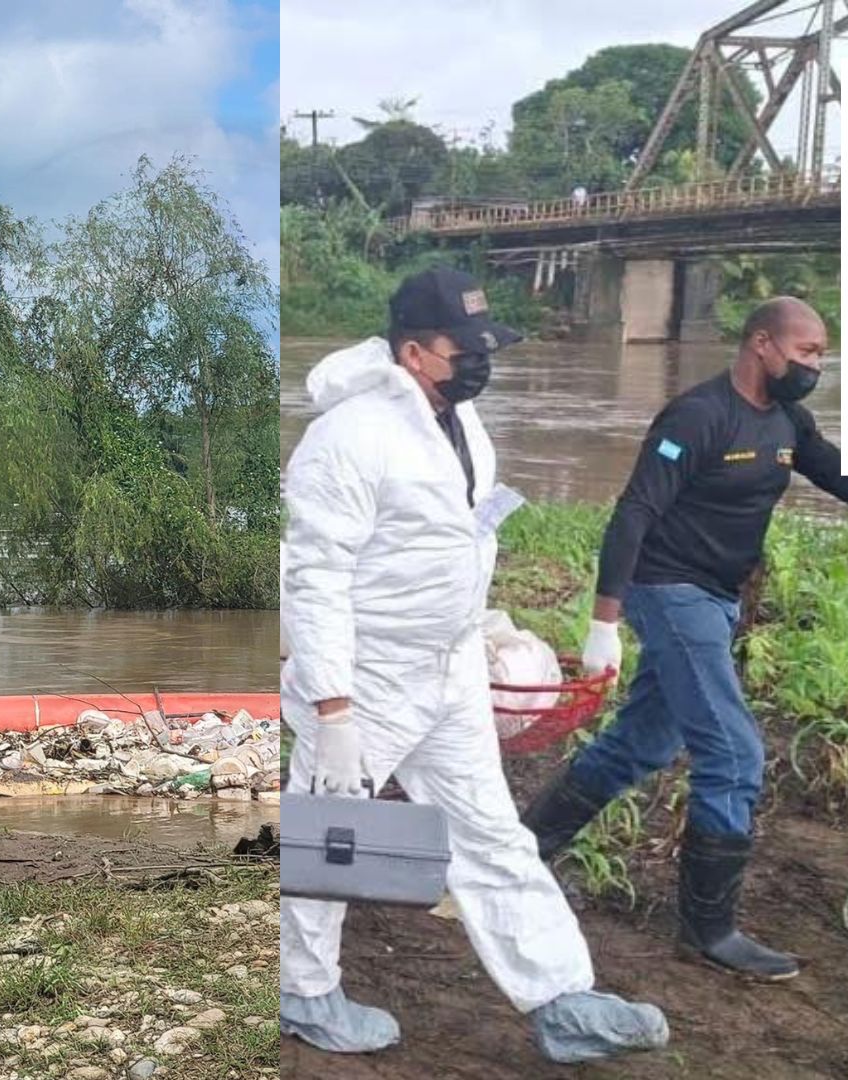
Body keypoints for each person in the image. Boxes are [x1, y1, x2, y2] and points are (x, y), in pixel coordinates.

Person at [279, 267, 669, 1064]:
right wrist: (334, 710)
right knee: (328, 844)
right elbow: (311, 579)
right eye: (470, 347)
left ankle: (561, 997)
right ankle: (303, 990)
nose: (485, 360)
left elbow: (462, 531)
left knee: (492, 834)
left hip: (448, 671)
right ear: (417, 351)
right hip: (370, 679)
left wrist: (484, 626)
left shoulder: (460, 420)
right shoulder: (349, 440)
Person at [522, 296, 848, 981]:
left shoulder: (787, 419)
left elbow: (832, 470)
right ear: (762, 344)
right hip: (668, 592)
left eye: (821, 353)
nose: (815, 365)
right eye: (806, 352)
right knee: (732, 753)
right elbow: (634, 511)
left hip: (719, 599)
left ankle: (518, 856)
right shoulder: (697, 417)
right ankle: (708, 930)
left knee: (642, 742)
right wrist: (603, 620)